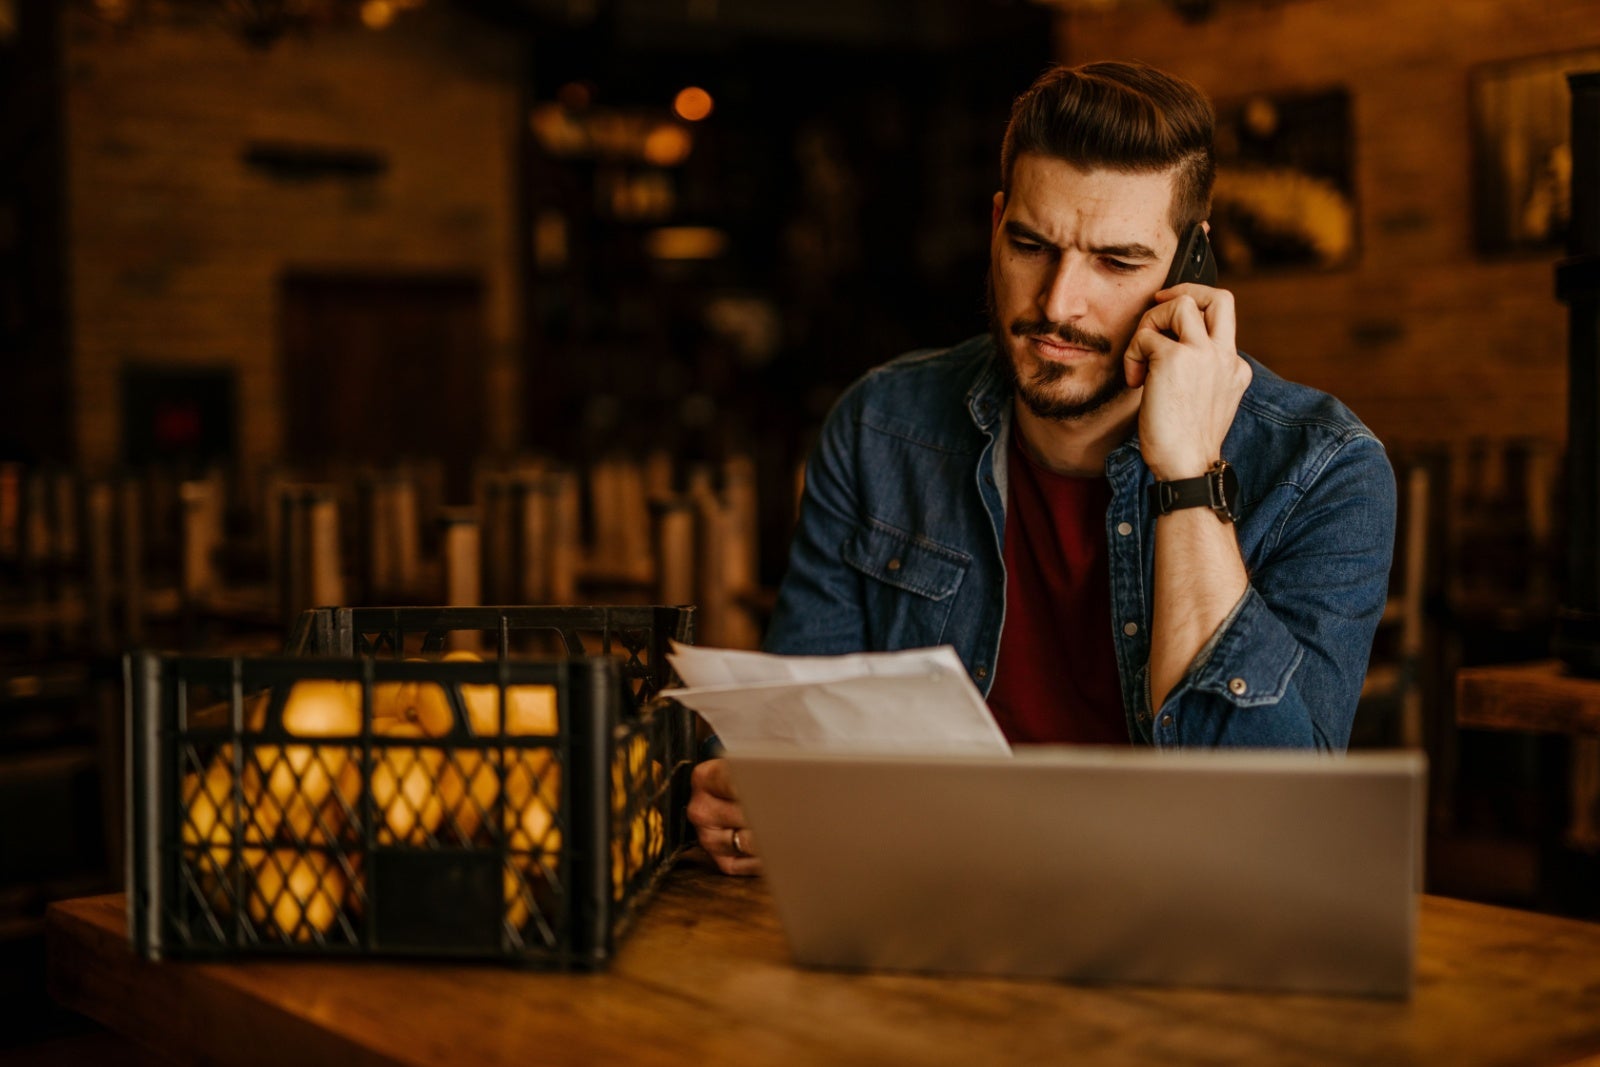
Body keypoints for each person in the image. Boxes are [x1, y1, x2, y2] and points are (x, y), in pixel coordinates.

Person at [688, 60, 1396, 876]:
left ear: (1190, 273)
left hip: (1180, 925)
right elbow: (792, 730)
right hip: (928, 906)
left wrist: (1187, 474)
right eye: (1031, 245)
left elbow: (1274, 829)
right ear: (995, 228)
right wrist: (750, 794)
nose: (1059, 303)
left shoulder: (1327, 471)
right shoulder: (881, 427)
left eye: (1117, 263)